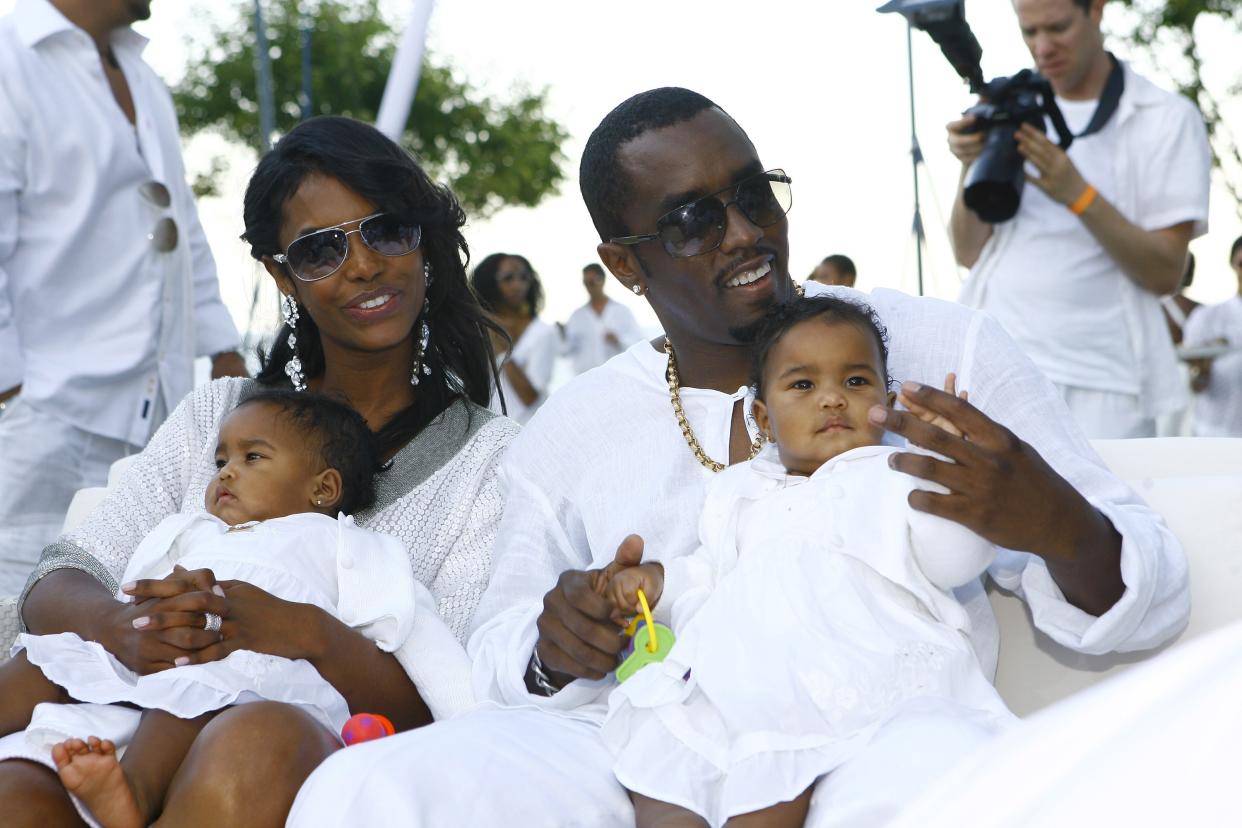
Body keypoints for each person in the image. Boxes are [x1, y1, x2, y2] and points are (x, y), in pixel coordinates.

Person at [288, 88, 1187, 828]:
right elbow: (499, 657)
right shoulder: (574, 427)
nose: (745, 232)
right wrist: (554, 649)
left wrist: (1057, 524)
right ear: (623, 264)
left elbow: (1153, 593)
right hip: (639, 742)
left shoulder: (942, 346)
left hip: (877, 730)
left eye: (755, 194)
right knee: (364, 792)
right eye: (690, 222)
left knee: (947, 796)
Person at [0, 115, 518, 827]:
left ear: (422, 244)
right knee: (18, 784)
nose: (363, 265)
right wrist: (123, 626)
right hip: (126, 719)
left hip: (342, 771)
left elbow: (451, 697)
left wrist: (301, 631)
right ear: (283, 275)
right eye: (321, 249)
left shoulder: (490, 461)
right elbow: (63, 572)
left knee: (255, 739)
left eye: (388, 230)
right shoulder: (219, 416)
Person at [596, 296, 1012, 827]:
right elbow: (711, 571)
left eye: (856, 382)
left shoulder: (895, 473)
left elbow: (954, 561)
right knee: (666, 759)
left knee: (771, 769)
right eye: (803, 385)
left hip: (857, 663)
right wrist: (657, 582)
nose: (833, 399)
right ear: (764, 419)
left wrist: (950, 473)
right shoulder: (740, 490)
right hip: (740, 673)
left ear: (889, 402)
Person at [0, 389, 439, 827]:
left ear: (323, 488)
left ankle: (135, 790)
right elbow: (131, 588)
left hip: (245, 674)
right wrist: (136, 622)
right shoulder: (192, 530)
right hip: (150, 659)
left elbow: (410, 639)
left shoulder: (347, 545)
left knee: (202, 681)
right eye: (221, 461)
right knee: (43, 661)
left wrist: (464, 707)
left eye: (252, 458)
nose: (227, 472)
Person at [0, 0, 246, 592]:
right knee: (11, 613)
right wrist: (12, 394)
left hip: (155, 416)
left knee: (113, 620)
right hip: (41, 420)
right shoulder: (9, 60)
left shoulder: (144, 77)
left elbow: (180, 221)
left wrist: (223, 349)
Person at [948, 0, 1211, 440]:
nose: (1043, 47)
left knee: (1100, 510)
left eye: (1058, 27)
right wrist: (969, 164)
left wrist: (1079, 194)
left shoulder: (1166, 117)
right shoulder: (1010, 105)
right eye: (1029, 32)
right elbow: (968, 252)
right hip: (998, 362)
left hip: (1105, 380)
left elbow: (1166, 272)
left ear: (1097, 11)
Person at [472, 253, 560, 423]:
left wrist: (501, 349)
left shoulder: (542, 332)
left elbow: (531, 397)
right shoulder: (476, 328)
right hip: (486, 430)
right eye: (508, 278)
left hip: (529, 428)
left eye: (524, 277)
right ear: (490, 282)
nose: (518, 285)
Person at [1182, 235, 1242, 437]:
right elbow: (1196, 385)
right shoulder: (1207, 317)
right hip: (1214, 434)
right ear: (1233, 265)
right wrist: (1203, 365)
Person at [561, 263, 644, 375]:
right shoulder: (576, 316)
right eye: (586, 283)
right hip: (586, 380)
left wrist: (619, 339)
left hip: (617, 377)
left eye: (593, 281)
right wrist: (561, 334)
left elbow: (639, 342)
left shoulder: (622, 311)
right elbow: (565, 350)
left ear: (603, 280)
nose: (590, 287)